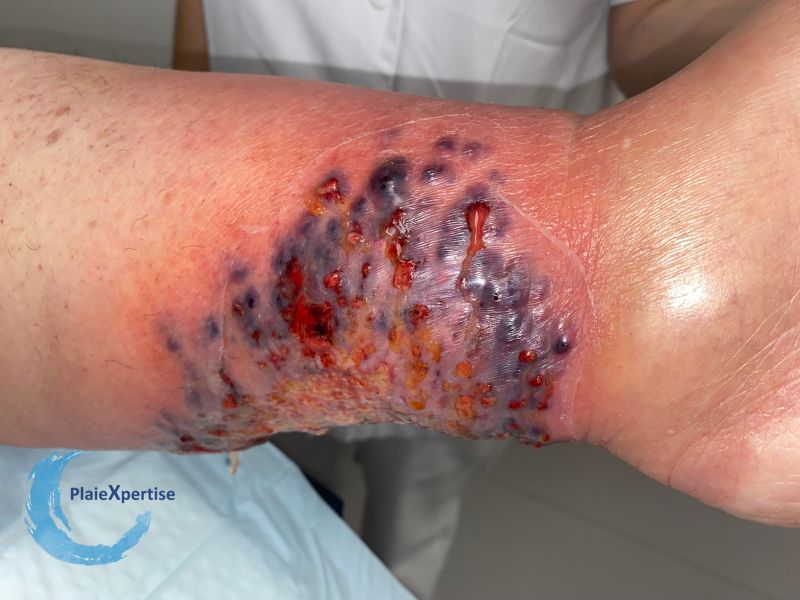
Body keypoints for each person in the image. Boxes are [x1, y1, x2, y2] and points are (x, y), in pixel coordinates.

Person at [1, 1, 796, 598]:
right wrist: (188, 112)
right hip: (246, 191)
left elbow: (650, 19)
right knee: (267, 487)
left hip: (510, 284)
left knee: (410, 525)